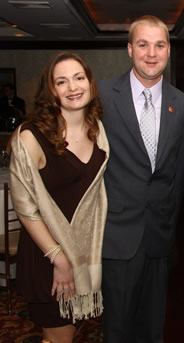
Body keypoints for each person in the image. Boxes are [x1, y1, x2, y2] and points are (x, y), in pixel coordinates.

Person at [98, 15, 184, 342]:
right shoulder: (101, 97)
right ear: (129, 49)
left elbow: (179, 176)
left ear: (168, 50)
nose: (151, 53)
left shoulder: (183, 106)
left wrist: (170, 228)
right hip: (116, 236)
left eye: (159, 45)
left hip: (159, 238)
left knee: (153, 329)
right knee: (117, 329)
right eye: (143, 44)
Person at [9, 51, 109, 343]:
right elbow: (25, 207)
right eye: (61, 82)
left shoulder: (98, 130)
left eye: (79, 78)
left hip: (81, 255)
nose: (73, 87)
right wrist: (59, 258)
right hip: (48, 258)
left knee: (68, 333)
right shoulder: (31, 135)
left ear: (90, 82)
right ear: (51, 90)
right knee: (58, 336)